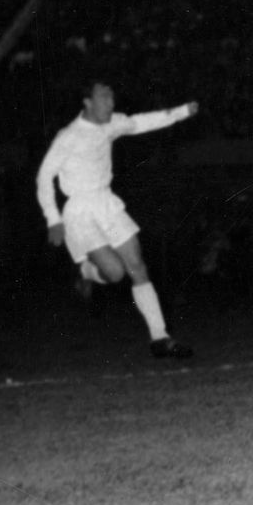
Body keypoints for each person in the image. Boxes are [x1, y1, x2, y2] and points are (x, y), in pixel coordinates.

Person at [35, 81, 200, 360]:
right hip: (80, 211)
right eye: (104, 97)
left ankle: (160, 337)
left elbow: (140, 122)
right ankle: (85, 271)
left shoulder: (111, 124)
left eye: (112, 97)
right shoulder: (68, 136)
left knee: (137, 265)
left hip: (107, 203)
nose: (111, 102)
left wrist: (181, 112)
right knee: (115, 274)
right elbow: (43, 178)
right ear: (87, 102)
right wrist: (53, 219)